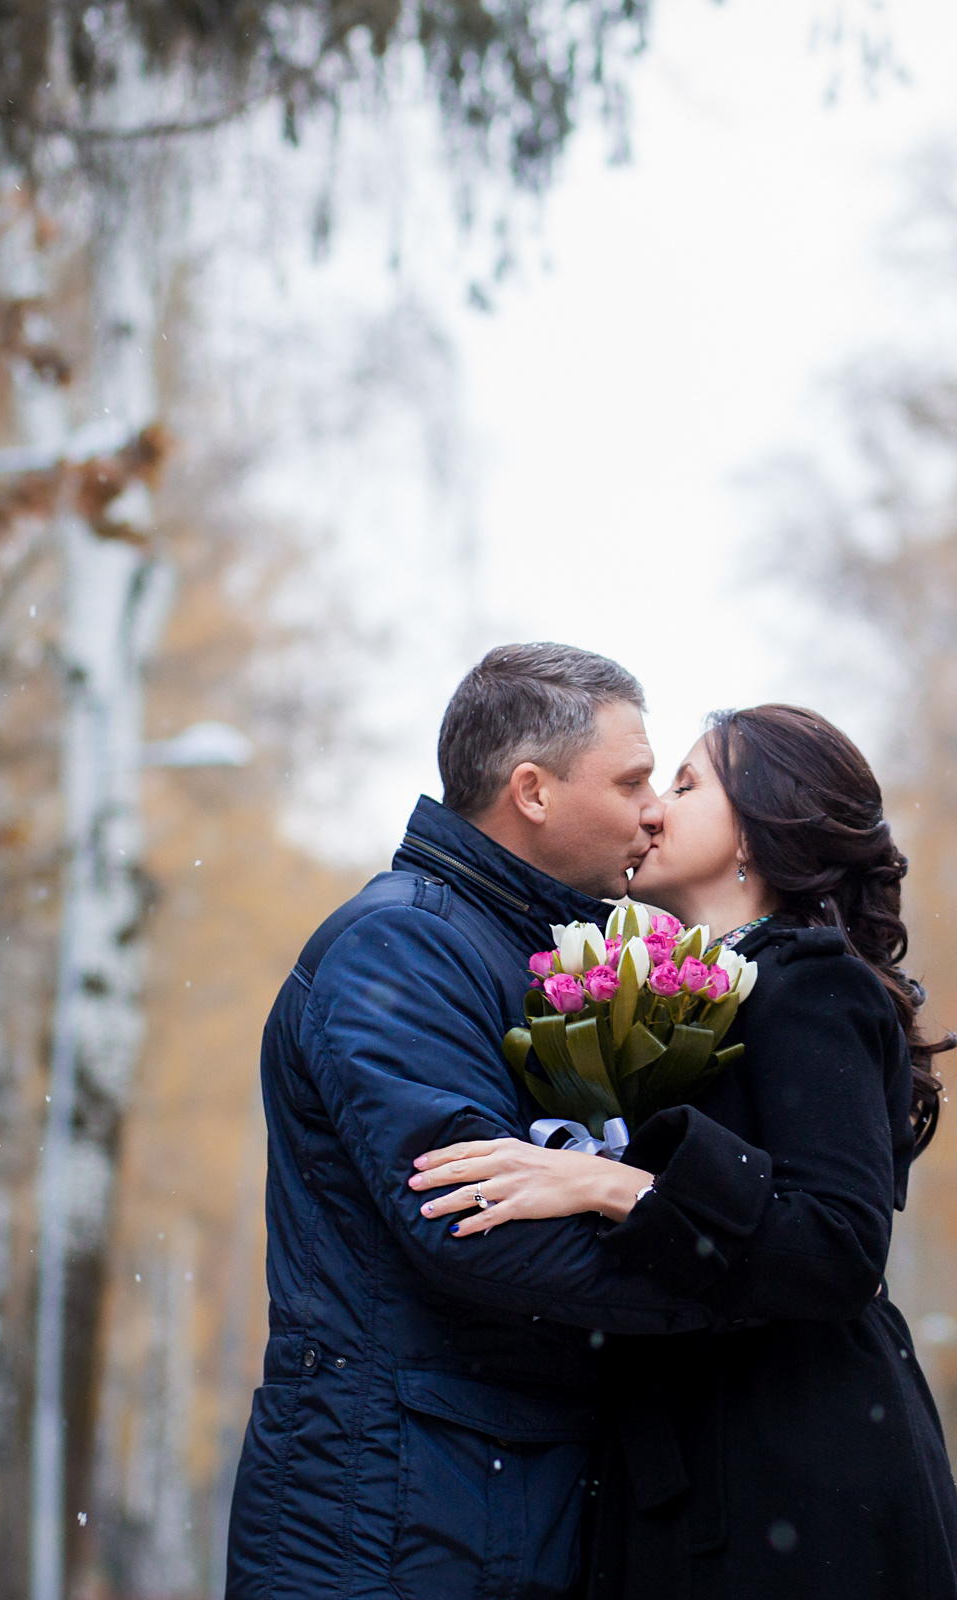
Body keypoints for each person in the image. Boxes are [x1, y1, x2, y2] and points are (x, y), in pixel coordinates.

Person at [222, 644, 758, 1600]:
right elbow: (473, 1218)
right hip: (386, 1509)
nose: (653, 809)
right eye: (633, 778)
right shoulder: (403, 944)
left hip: (482, 1489)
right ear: (533, 791)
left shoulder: (525, 948)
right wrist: (731, 1288)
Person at [408, 703, 957, 1600]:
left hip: (798, 1472)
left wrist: (610, 1185)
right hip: (689, 1471)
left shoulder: (812, 984)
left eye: (685, 783)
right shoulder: (689, 995)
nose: (654, 811)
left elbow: (838, 1246)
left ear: (761, 824)